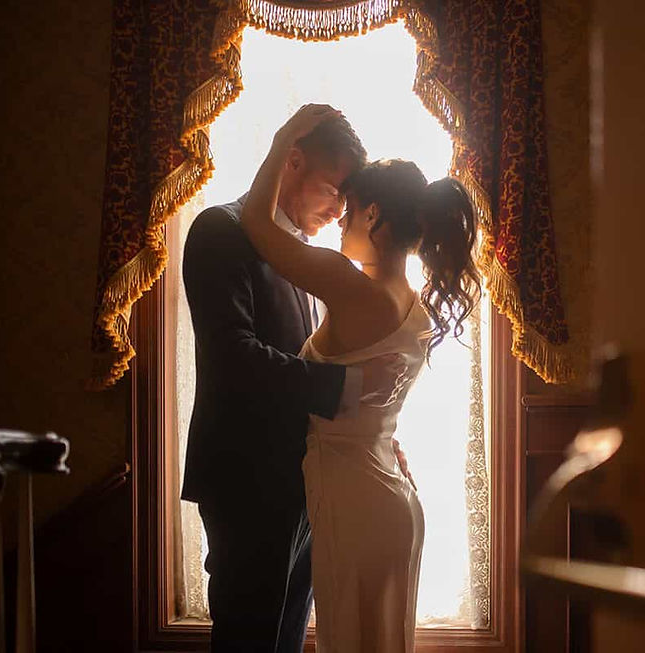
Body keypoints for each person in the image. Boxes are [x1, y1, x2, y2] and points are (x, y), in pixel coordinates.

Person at [240, 104, 481, 652]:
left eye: (348, 211)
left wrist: (285, 137)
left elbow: (255, 223)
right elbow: (374, 406)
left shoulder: (350, 285)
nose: (339, 221)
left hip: (355, 502)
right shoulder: (414, 305)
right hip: (393, 498)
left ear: (373, 215)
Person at [181, 111, 410, 652]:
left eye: (346, 200)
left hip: (308, 481)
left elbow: (311, 353)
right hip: (248, 482)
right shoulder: (220, 231)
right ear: (292, 161)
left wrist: (372, 431)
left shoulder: (304, 256)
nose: (338, 211)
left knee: (286, 640)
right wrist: (349, 386)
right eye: (332, 190)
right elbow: (234, 358)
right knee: (248, 640)